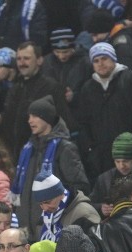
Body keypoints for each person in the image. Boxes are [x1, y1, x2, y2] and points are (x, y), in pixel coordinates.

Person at [76, 42, 132, 180]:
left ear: (113, 59)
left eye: (104, 58)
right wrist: (92, 149)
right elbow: (83, 123)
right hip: (101, 161)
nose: (100, 63)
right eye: (96, 61)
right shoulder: (87, 88)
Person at [12, 94, 90, 239]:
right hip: (25, 229)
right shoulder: (28, 149)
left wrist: (61, 213)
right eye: (29, 116)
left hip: (53, 228)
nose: (30, 120)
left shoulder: (64, 148)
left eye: (35, 116)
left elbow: (79, 186)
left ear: (47, 118)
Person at [0, 42, 72, 157]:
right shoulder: (14, 89)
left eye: (26, 58)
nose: (22, 63)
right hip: (15, 156)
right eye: (19, 59)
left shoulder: (52, 87)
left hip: (42, 156)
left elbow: (63, 124)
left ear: (39, 60)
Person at [89, 132, 132, 216]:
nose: (121, 166)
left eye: (126, 161)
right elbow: (90, 203)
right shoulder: (104, 179)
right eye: (117, 161)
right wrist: (100, 208)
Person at [30, 172, 100, 243]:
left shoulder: (85, 214)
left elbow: (97, 248)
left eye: (47, 202)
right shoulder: (45, 216)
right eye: (40, 204)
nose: (44, 208)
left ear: (61, 194)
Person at [41, 29, 93, 119]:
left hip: (78, 118)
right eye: (57, 52)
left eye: (65, 52)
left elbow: (91, 93)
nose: (62, 56)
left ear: (73, 48)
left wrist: (74, 97)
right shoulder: (46, 63)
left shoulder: (85, 63)